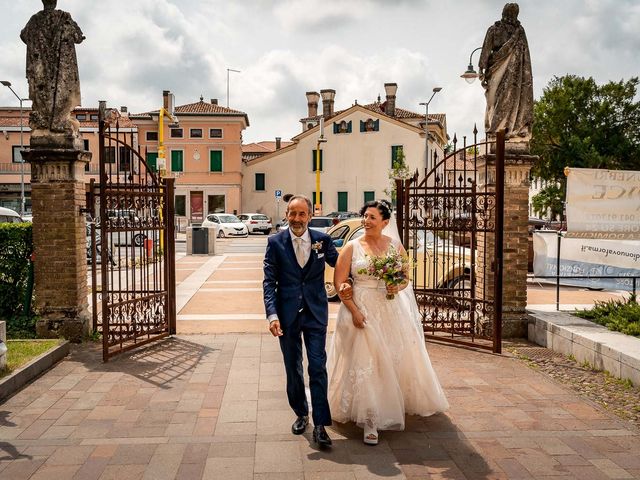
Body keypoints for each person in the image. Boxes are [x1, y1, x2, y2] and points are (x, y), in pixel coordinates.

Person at [327, 200, 449, 445]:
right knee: (365, 361)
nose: (366, 221)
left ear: (384, 222)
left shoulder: (394, 246)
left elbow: (405, 277)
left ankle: (390, 403)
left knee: (390, 360)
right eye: (365, 216)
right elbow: (340, 283)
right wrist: (354, 312)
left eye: (372, 217)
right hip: (360, 309)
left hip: (389, 310)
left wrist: (398, 285)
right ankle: (370, 419)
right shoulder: (351, 247)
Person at [263, 195, 342, 448]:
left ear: (309, 215)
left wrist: (364, 270)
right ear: (286, 214)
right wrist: (272, 315)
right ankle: (301, 412)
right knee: (293, 367)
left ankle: (320, 425)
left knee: (317, 366)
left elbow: (341, 265)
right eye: (292, 214)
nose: (296, 219)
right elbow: (269, 282)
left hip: (315, 313)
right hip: (286, 317)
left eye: (301, 214)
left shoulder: (322, 240)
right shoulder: (275, 242)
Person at [21, 0, 85, 147]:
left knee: (42, 96)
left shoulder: (35, 20)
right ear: (55, 2)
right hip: (61, 72)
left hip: (41, 70)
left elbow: (24, 36)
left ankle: (45, 124)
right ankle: (58, 122)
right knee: (61, 96)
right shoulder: (64, 18)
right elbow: (78, 36)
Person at [478, 2, 533, 143]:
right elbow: (525, 59)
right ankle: (508, 128)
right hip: (513, 74)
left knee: (496, 100)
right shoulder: (519, 32)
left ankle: (497, 130)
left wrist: (481, 70)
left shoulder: (495, 30)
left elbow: (485, 51)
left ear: (503, 13)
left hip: (499, 71)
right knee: (509, 98)